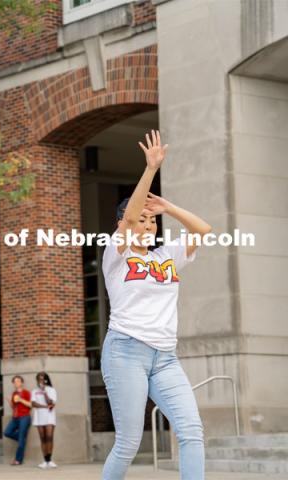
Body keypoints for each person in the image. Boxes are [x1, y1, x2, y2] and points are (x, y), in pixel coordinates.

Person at [101, 130, 212, 480]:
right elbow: (131, 219)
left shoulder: (168, 256)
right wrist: (149, 170)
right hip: (126, 351)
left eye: (153, 222)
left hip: (165, 358)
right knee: (129, 443)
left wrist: (167, 207)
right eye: (142, 220)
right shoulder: (115, 255)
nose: (148, 226)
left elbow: (203, 230)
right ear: (121, 225)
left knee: (192, 431)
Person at [31, 371, 57, 469]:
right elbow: (33, 404)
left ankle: (49, 460)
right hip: (39, 417)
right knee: (43, 439)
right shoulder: (34, 391)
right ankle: (45, 460)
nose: (40, 381)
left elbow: (51, 402)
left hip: (49, 417)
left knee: (49, 437)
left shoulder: (51, 390)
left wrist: (44, 392)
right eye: (39, 379)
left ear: (46, 380)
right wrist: (46, 406)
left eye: (42, 378)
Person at [3, 375, 31, 466]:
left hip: (25, 417)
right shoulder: (14, 393)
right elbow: (14, 406)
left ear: (22, 382)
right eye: (14, 382)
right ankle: (21, 439)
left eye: (18, 381)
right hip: (15, 417)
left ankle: (18, 460)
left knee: (21, 439)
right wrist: (10, 403)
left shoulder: (26, 392)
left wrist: (20, 399)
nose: (16, 383)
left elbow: (30, 405)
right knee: (7, 432)